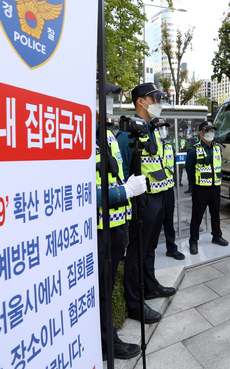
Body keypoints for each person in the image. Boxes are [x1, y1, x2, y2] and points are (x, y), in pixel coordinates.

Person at [116, 83, 176, 325]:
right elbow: (121, 173)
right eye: (155, 98)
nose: (158, 103)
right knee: (136, 251)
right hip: (142, 201)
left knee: (150, 246)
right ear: (141, 101)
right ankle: (134, 303)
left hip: (158, 197)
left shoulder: (151, 129)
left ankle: (149, 285)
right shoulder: (127, 133)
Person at [95, 112, 144, 360]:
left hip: (115, 224)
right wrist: (124, 192)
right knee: (101, 287)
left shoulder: (107, 135)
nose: (108, 104)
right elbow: (79, 192)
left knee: (106, 284)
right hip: (97, 229)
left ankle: (107, 338)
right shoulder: (83, 135)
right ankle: (106, 344)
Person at [185, 121, 229, 254]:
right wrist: (195, 183)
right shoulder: (194, 149)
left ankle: (217, 236)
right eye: (207, 130)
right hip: (201, 188)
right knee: (197, 216)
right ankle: (193, 242)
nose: (211, 133)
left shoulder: (217, 148)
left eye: (212, 130)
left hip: (215, 187)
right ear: (200, 133)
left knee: (215, 214)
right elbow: (189, 169)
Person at [152, 118, 185, 260]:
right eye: (159, 128)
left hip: (168, 190)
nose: (163, 131)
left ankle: (171, 248)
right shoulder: (150, 146)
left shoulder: (170, 147)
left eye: (164, 128)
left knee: (169, 221)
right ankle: (149, 251)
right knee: (155, 224)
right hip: (155, 191)